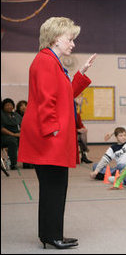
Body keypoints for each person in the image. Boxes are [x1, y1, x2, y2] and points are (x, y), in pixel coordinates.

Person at [17, 17, 96, 249]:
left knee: (55, 187)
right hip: (50, 139)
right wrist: (53, 132)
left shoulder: (53, 62)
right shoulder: (45, 62)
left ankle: (51, 234)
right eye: (70, 39)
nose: (73, 44)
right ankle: (52, 236)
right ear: (55, 38)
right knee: (54, 188)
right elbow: (45, 100)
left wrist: (81, 73)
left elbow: (64, 95)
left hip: (53, 137)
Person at [1, 98, 22, 170]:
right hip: (4, 137)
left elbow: (22, 125)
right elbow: (2, 128)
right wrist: (13, 134)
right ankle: (13, 164)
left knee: (28, 140)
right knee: (12, 141)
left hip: (16, 135)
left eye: (10, 105)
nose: (9, 106)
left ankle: (28, 163)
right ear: (3, 106)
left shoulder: (16, 115)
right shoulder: (2, 115)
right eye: (7, 105)